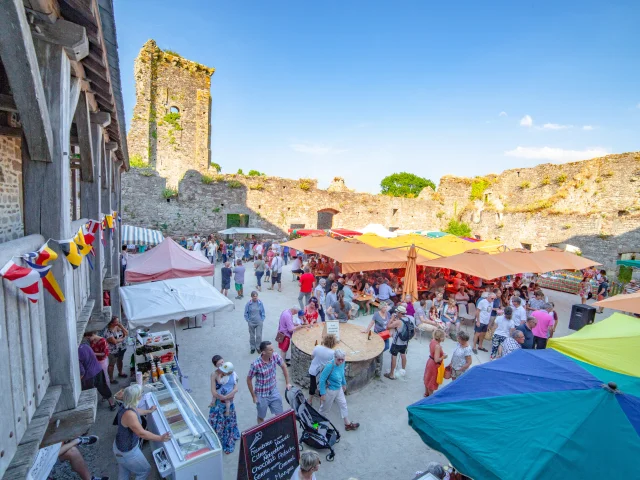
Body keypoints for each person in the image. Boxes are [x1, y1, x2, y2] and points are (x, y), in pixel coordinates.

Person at [113, 384, 170, 479]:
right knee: (144, 470)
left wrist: (149, 411)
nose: (142, 395)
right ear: (137, 397)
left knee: (124, 471)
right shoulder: (130, 415)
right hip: (127, 451)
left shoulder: (127, 404)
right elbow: (141, 433)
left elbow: (137, 410)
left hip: (119, 448)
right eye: (141, 394)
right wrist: (160, 438)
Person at [247, 341, 292, 424]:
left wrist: (287, 383)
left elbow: (284, 366)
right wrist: (253, 396)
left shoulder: (275, 356)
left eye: (273, 349)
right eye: (271, 350)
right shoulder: (255, 364)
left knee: (280, 415)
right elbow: (249, 379)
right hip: (261, 395)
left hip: (273, 391)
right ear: (263, 352)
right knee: (261, 417)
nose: (273, 351)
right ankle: (261, 432)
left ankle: (280, 431)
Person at [318, 349, 360, 431]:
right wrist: (322, 393)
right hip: (330, 391)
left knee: (343, 405)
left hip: (339, 389)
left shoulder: (343, 363)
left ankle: (347, 424)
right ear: (335, 357)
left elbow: (342, 374)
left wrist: (344, 383)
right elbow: (322, 379)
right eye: (339, 359)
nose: (341, 361)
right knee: (323, 410)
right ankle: (315, 426)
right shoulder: (330, 366)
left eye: (342, 359)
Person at [209, 356, 240, 454]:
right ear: (215, 366)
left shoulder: (230, 371)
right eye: (219, 364)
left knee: (228, 424)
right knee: (219, 423)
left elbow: (236, 388)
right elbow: (213, 391)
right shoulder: (214, 375)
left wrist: (227, 397)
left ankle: (228, 443)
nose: (222, 365)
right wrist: (220, 397)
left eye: (223, 362)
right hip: (219, 404)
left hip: (228, 401)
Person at [79, 340, 116, 410]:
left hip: (88, 376)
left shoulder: (76, 354)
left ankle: (89, 408)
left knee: (88, 393)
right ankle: (112, 403)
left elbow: (82, 372)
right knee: (103, 386)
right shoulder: (85, 345)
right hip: (98, 369)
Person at [384, 305, 416, 380]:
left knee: (394, 357)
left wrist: (391, 319)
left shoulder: (398, 322)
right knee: (403, 355)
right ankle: (403, 371)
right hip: (405, 342)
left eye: (397, 312)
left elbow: (388, 327)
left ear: (399, 313)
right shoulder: (409, 319)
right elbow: (413, 331)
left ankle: (391, 374)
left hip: (397, 342)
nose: (396, 313)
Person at [307, 334, 338, 405]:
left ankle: (309, 400)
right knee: (322, 388)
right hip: (323, 373)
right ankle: (321, 405)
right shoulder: (333, 353)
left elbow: (312, 357)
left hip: (313, 371)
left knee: (312, 385)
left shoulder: (317, 347)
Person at [103, 316, 128, 384]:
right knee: (111, 364)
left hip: (121, 348)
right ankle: (111, 379)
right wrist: (122, 339)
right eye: (116, 322)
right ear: (111, 323)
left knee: (120, 360)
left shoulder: (118, 327)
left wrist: (121, 326)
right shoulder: (108, 331)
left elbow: (126, 333)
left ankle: (120, 372)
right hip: (112, 351)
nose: (118, 323)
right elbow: (114, 341)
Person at [423, 329, 447, 397]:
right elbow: (436, 360)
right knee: (432, 381)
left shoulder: (432, 341)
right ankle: (430, 397)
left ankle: (426, 393)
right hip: (434, 365)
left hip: (430, 361)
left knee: (427, 377)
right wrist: (443, 356)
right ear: (440, 338)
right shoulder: (437, 346)